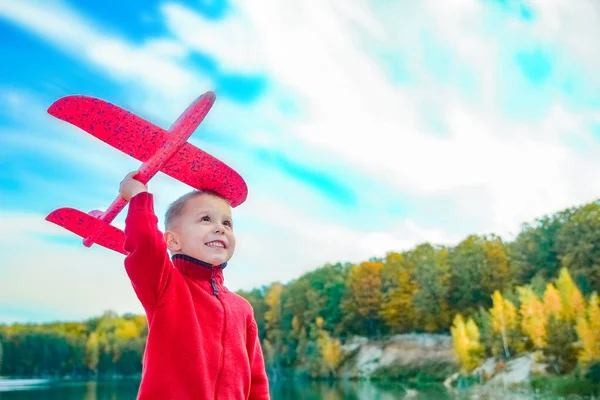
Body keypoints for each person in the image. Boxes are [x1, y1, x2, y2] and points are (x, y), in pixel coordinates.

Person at [119, 171, 270, 400]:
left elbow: (257, 382)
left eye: (227, 223)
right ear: (172, 241)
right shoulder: (164, 286)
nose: (220, 228)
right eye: (205, 219)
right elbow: (146, 245)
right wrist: (139, 196)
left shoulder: (243, 309)